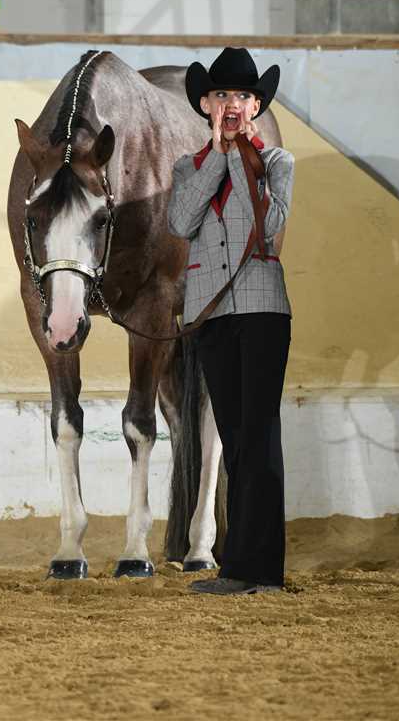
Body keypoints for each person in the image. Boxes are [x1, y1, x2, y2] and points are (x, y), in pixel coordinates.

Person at [167, 47, 294, 596]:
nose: (233, 103)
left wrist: (240, 156)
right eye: (222, 94)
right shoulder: (188, 168)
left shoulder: (278, 162)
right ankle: (239, 567)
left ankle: (259, 571)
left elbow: (267, 226)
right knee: (236, 439)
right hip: (213, 315)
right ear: (206, 105)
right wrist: (219, 155)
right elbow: (180, 222)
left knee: (259, 438)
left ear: (256, 106)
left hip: (263, 312)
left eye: (244, 95)